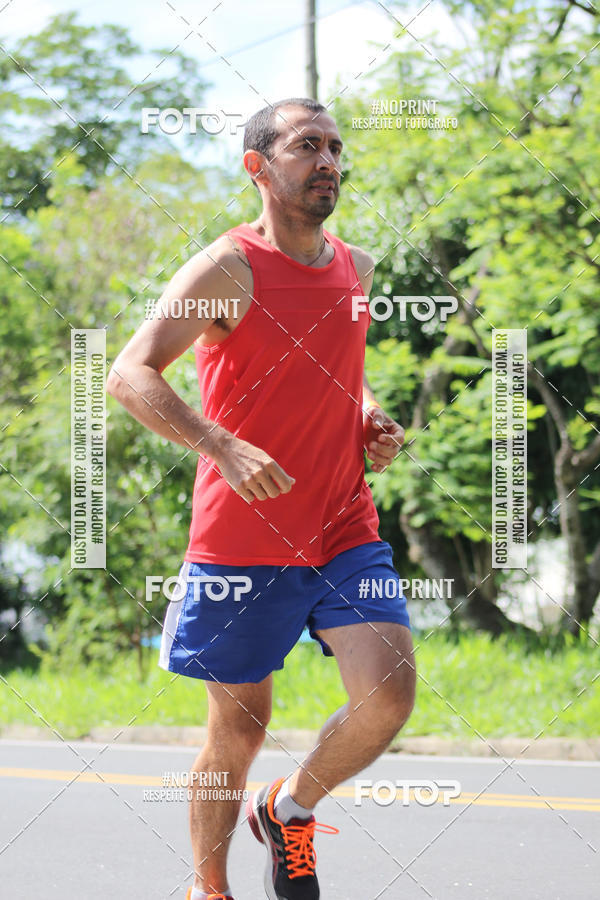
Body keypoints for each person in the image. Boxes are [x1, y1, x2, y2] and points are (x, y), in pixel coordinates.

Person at [107, 97, 416, 900]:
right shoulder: (227, 268)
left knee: (388, 695)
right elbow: (130, 373)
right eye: (307, 146)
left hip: (343, 522)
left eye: (336, 148)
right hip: (243, 538)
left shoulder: (357, 267)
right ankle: (208, 888)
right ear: (258, 166)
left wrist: (366, 417)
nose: (328, 162)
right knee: (237, 731)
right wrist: (218, 443)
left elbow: (337, 375)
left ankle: (291, 808)